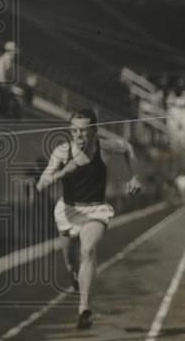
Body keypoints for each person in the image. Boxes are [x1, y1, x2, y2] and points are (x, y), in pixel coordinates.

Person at [36, 109, 141, 329]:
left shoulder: (104, 147)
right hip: (68, 212)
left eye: (84, 131)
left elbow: (128, 147)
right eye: (74, 130)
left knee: (88, 250)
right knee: (70, 262)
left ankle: (84, 308)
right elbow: (41, 183)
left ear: (94, 131)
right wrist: (63, 173)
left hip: (95, 211)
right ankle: (74, 275)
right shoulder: (62, 152)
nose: (79, 135)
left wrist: (134, 177)